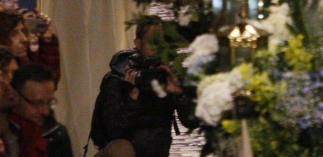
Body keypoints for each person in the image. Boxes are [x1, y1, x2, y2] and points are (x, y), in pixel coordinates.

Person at [90, 21, 196, 157]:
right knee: (122, 149)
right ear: (138, 43)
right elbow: (114, 132)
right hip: (119, 153)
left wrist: (180, 94)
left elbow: (191, 122)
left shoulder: (167, 76)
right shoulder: (118, 78)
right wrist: (132, 99)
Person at [10, 63, 75, 157]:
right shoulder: (2, 133)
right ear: (15, 95)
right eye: (37, 103)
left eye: (49, 102)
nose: (45, 111)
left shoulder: (57, 134)